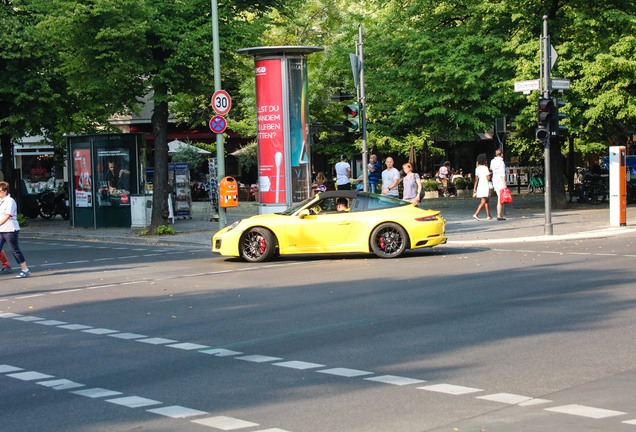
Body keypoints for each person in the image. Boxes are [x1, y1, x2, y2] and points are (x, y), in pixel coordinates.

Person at [0, 182, 30, 278]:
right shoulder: (0, 201)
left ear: (4, 191)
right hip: (1, 229)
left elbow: (8, 215)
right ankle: (6, 266)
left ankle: (25, 270)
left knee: (14, 250)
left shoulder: (10, 201)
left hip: (10, 229)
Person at [472, 153, 492, 221]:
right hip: (485, 185)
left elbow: (476, 179)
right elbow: (488, 178)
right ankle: (476, 214)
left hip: (480, 185)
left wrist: (474, 189)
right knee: (483, 201)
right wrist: (490, 173)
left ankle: (488, 215)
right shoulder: (485, 168)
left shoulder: (477, 169)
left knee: (486, 200)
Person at [490, 148, 507, 221]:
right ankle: (499, 215)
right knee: (500, 198)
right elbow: (502, 174)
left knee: (499, 197)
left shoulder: (492, 161)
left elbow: (491, 169)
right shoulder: (501, 162)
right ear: (501, 154)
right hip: (500, 180)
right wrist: (504, 183)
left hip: (495, 179)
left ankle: (499, 214)